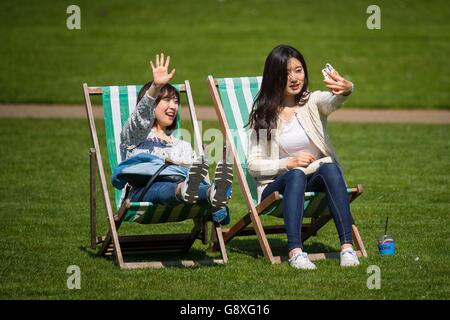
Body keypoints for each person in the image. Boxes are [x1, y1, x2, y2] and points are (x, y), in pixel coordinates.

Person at [247, 44, 359, 269]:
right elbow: (253, 165)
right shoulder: (264, 115)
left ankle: (347, 248)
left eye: (298, 70)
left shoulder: (312, 102)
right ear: (274, 77)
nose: (294, 77)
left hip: (314, 178)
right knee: (296, 173)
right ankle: (296, 251)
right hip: (275, 186)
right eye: (286, 72)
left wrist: (346, 89)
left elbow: (332, 101)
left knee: (330, 168)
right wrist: (288, 163)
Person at [119, 53, 233, 224]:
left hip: (181, 194)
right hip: (142, 191)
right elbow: (139, 118)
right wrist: (155, 88)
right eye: (166, 100)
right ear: (152, 104)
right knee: (165, 187)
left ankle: (213, 196)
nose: (173, 106)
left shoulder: (182, 145)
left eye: (175, 101)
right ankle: (206, 196)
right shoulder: (134, 138)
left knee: (198, 185)